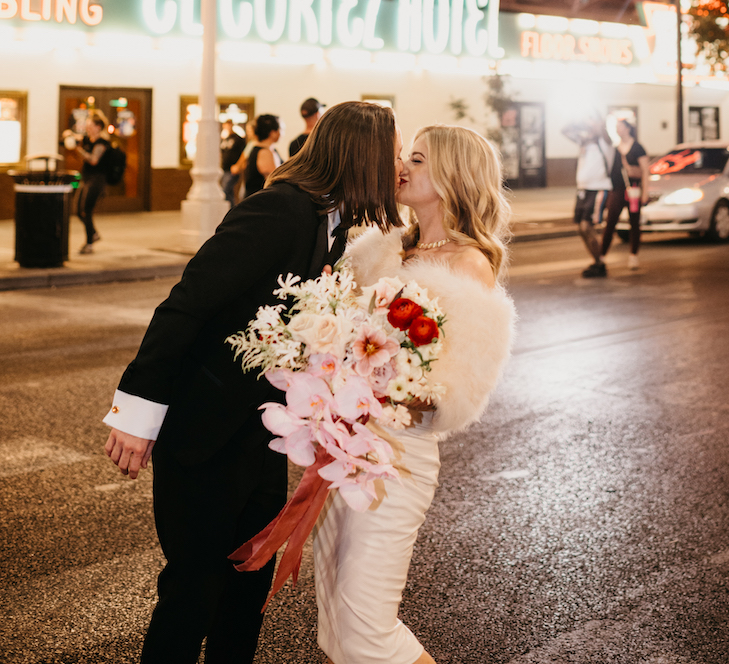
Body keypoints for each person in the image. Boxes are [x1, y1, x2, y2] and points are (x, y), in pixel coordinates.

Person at [102, 101, 403, 664]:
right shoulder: (278, 211)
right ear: (360, 156)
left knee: (247, 584)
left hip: (258, 434)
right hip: (202, 430)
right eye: (391, 155)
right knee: (193, 588)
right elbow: (186, 304)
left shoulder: (330, 224)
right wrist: (137, 413)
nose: (397, 168)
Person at [314, 124, 515, 664]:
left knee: (367, 628)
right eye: (406, 156)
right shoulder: (380, 248)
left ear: (452, 177)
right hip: (345, 447)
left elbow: (453, 387)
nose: (401, 166)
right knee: (334, 623)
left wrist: (370, 370)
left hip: (397, 460)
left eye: (418, 160)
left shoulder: (467, 263)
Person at [562, 116, 615, 278]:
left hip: (598, 188)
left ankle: (600, 262)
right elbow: (564, 130)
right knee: (581, 228)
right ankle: (597, 261)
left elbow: (603, 132)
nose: (591, 126)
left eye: (594, 123)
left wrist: (599, 124)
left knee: (587, 226)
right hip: (583, 190)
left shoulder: (605, 143)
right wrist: (578, 120)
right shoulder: (583, 142)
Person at [598, 118, 650, 271]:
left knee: (634, 222)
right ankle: (601, 255)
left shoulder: (638, 147)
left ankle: (633, 256)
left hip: (633, 190)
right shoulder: (615, 148)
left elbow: (645, 171)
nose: (618, 130)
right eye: (616, 127)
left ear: (628, 128)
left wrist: (645, 192)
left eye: (620, 127)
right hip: (617, 189)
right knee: (610, 222)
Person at [73, 110, 112, 255]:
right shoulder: (90, 141)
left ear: (98, 126)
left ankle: (89, 243)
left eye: (90, 125)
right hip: (86, 178)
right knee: (78, 210)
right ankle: (93, 234)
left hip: (96, 180)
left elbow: (94, 160)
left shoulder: (102, 143)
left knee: (86, 210)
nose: (87, 127)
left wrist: (79, 150)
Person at [241, 113, 283, 199]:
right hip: (258, 204)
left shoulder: (268, 150)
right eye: (280, 129)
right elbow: (275, 181)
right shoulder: (264, 152)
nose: (282, 132)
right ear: (272, 133)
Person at [219, 121, 246, 205]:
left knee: (225, 190)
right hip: (225, 168)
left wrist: (238, 165)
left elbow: (244, 153)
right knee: (229, 192)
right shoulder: (225, 139)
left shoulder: (238, 139)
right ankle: (230, 209)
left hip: (233, 168)